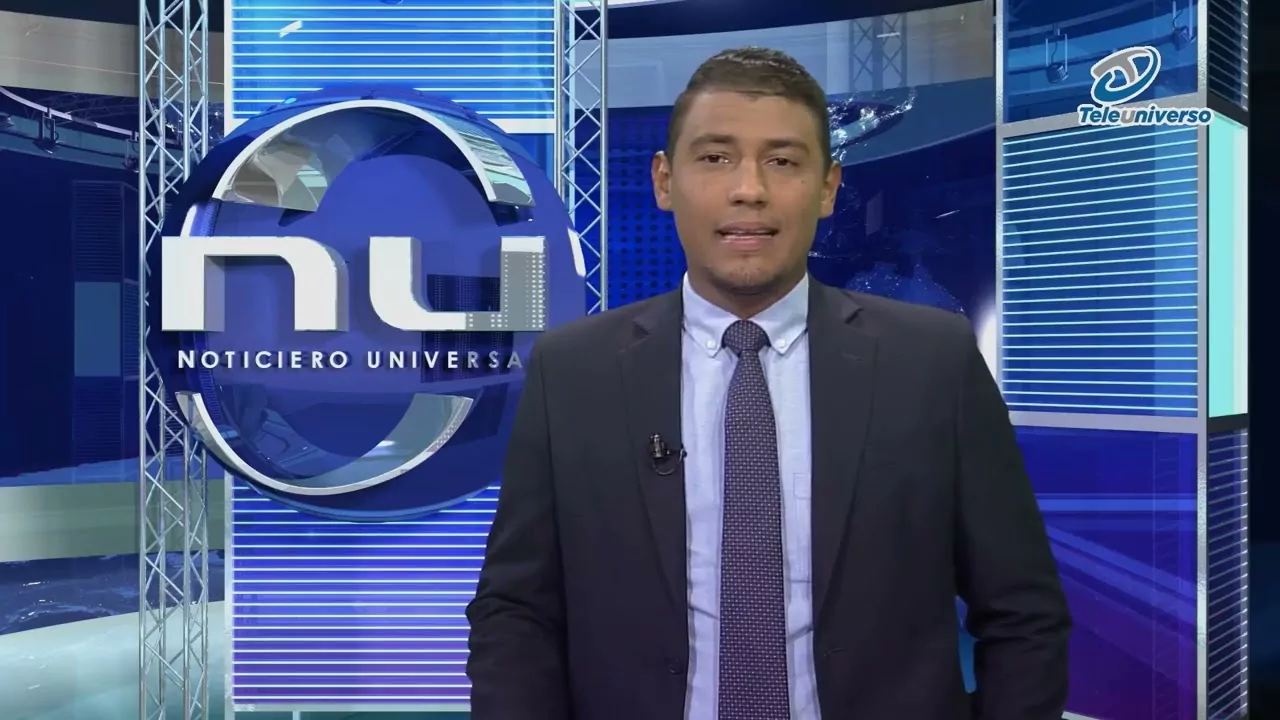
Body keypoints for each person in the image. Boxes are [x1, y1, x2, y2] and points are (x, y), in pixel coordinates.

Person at [466, 47, 1071, 719]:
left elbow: (1023, 613)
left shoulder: (934, 362)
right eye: (715, 157)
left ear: (828, 187)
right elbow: (516, 611)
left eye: (782, 162)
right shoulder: (573, 371)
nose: (749, 189)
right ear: (664, 181)